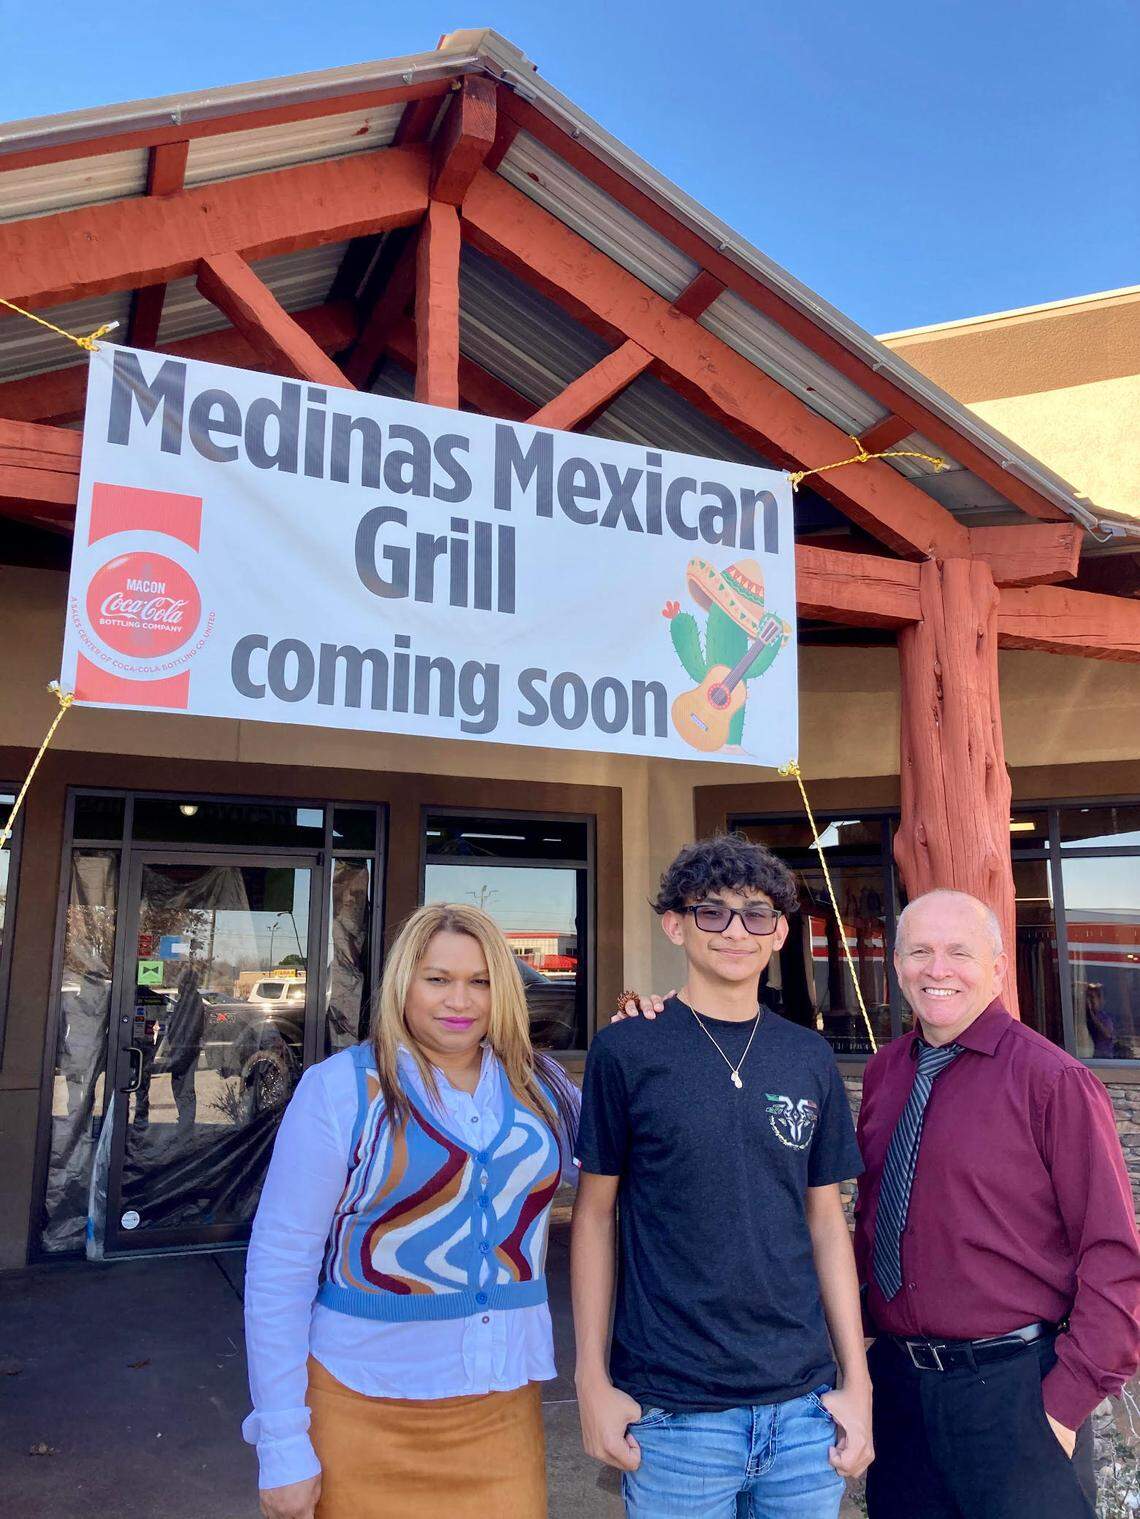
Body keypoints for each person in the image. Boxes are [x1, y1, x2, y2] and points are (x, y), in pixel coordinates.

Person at [241, 902, 580, 1519]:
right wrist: (283, 1442)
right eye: (438, 979)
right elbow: (280, 1267)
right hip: (359, 1405)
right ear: (404, 983)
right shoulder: (339, 1089)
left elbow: (639, 1163)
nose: (461, 1000)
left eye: (480, 981)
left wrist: (661, 1036)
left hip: (501, 1409)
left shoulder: (543, 1085)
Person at [573, 834, 873, 1518]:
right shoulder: (626, 1049)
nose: (736, 930)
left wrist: (857, 1383)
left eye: (757, 914)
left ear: (780, 933)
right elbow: (594, 1216)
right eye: (712, 912)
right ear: (675, 924)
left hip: (802, 1411)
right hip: (674, 1412)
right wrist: (591, 1378)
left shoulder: (808, 1056)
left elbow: (827, 1223)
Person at [855, 888, 1140, 1519]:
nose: (938, 969)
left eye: (960, 951)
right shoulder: (885, 1073)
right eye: (920, 951)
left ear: (997, 966)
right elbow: (869, 1222)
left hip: (1016, 1392)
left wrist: (1063, 1404)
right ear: (898, 963)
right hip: (899, 1391)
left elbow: (1114, 1253)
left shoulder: (1053, 1081)